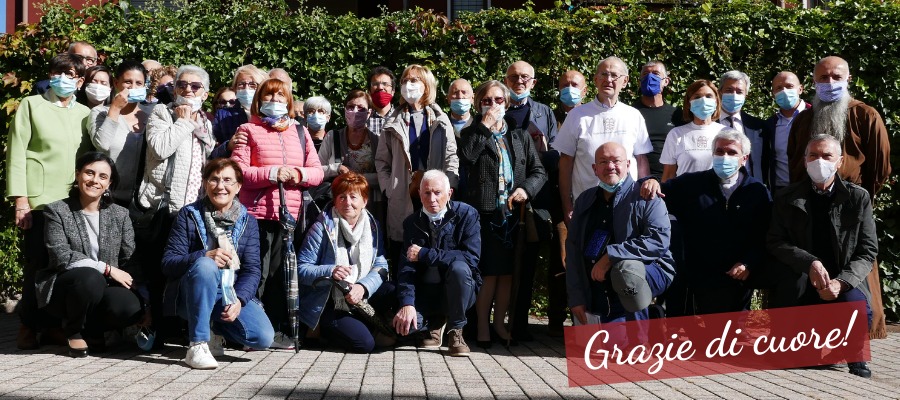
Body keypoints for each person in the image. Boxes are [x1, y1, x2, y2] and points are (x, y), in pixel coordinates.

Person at [786, 56, 890, 339]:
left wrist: (856, 197)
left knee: (855, 267)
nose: (829, 83)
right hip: (809, 204)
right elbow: (795, 162)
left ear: (848, 79)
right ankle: (808, 336)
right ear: (813, 82)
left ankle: (858, 336)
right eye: (823, 78)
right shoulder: (804, 119)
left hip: (850, 207)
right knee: (810, 266)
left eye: (835, 77)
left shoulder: (865, 115)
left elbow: (879, 168)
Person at [768, 135, 876, 378]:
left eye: (827, 156)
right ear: (805, 161)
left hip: (843, 274)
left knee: (856, 307)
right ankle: (804, 348)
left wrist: (842, 282)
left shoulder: (857, 198)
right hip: (802, 276)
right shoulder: (787, 197)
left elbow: (867, 250)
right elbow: (776, 241)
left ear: (839, 162)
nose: (819, 161)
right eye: (813, 155)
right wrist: (810, 262)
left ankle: (853, 353)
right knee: (803, 357)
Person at [6, 52, 93, 350]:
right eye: (58, 72)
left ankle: (56, 326)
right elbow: (16, 153)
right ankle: (28, 326)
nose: (63, 79)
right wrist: (21, 199)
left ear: (80, 81)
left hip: (75, 200)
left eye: (70, 74)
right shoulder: (32, 105)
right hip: (40, 199)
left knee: (67, 266)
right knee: (37, 265)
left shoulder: (85, 113)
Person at [231, 78, 324, 349]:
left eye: (280, 96)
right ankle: (245, 331)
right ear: (260, 100)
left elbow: (317, 171)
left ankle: (273, 331)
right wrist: (272, 174)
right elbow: (238, 172)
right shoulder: (248, 129)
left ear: (289, 101)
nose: (275, 101)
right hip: (256, 214)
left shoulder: (300, 131)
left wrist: (297, 174)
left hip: (289, 215)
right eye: (269, 96)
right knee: (253, 275)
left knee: (279, 276)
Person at [641, 130, 771, 315]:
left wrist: (748, 263)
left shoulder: (756, 191)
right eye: (719, 152)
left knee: (733, 334)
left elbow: (764, 233)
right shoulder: (692, 184)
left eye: (732, 152)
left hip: (739, 274)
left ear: (744, 158)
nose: (725, 157)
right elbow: (657, 190)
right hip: (701, 275)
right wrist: (651, 181)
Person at [161, 158, 274, 369]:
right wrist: (204, 255)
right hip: (192, 291)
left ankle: (214, 330)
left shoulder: (248, 221)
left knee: (262, 337)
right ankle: (197, 344)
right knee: (205, 266)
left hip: (228, 291)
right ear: (205, 184)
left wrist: (239, 300)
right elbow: (168, 263)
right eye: (214, 180)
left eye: (227, 180)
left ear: (238, 186)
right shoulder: (189, 215)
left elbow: (252, 270)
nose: (220, 186)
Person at [458, 80, 547, 348]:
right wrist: (484, 125)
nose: (493, 105)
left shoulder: (518, 136)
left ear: (507, 104)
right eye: (487, 100)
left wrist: (526, 191)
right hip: (484, 214)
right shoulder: (470, 132)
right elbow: (467, 157)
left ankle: (500, 324)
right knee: (489, 272)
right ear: (479, 104)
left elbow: (538, 171)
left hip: (513, 214)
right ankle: (482, 325)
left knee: (509, 273)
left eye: (498, 100)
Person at [136, 64, 217, 344]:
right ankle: (156, 329)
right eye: (182, 85)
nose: (188, 90)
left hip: (194, 210)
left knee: (186, 272)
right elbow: (159, 148)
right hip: (162, 207)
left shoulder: (206, 121)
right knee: (159, 272)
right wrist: (183, 121)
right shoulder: (162, 113)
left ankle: (182, 330)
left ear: (205, 93)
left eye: (195, 87)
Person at [566, 142, 674, 344]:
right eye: (603, 161)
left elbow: (659, 241)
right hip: (604, 285)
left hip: (648, 271)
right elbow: (573, 251)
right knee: (608, 344)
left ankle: (639, 343)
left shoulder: (646, 196)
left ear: (628, 164)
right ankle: (652, 315)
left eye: (616, 161)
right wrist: (576, 299)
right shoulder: (584, 200)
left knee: (626, 270)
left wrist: (610, 256)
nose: (610, 166)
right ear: (594, 168)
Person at [39, 152, 144, 357]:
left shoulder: (120, 214)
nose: (95, 180)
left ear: (109, 183)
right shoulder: (56, 211)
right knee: (90, 277)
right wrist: (106, 268)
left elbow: (129, 259)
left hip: (102, 286)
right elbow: (61, 256)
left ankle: (94, 329)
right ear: (78, 175)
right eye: (89, 173)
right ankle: (73, 330)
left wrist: (145, 299)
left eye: (102, 176)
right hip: (65, 286)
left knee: (130, 306)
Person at [297, 172, 394, 353]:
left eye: (353, 197)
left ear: (365, 201)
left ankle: (374, 326)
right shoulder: (321, 226)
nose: (347, 202)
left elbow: (381, 265)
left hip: (359, 294)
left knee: (394, 291)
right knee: (364, 344)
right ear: (335, 200)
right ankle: (322, 330)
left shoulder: (372, 225)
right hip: (330, 301)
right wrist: (330, 270)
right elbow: (301, 268)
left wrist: (363, 287)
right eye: (342, 197)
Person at [375, 64, 459, 272]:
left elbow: (451, 156)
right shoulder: (392, 120)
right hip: (402, 194)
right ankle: (404, 303)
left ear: (426, 86)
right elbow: (381, 161)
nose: (408, 85)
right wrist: (389, 188)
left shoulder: (441, 119)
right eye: (404, 81)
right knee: (402, 255)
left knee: (433, 252)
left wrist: (448, 188)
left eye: (414, 80)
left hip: (433, 195)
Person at [554, 56, 652, 225]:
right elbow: (565, 163)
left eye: (614, 75)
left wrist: (645, 200)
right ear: (595, 79)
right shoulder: (576, 116)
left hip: (627, 205)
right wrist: (567, 206)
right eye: (603, 74)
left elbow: (641, 160)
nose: (608, 80)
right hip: (587, 207)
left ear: (625, 80)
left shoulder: (633, 116)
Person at [394, 170, 481, 357]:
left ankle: (456, 331)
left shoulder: (467, 214)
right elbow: (406, 268)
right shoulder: (412, 223)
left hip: (458, 290)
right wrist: (407, 303)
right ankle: (434, 322)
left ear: (449, 194)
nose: (432, 198)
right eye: (427, 193)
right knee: (402, 329)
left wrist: (426, 254)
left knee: (459, 268)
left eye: (437, 192)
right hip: (427, 292)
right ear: (419, 194)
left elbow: (470, 258)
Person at [90, 60, 155, 207]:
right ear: (116, 82)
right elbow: (102, 144)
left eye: (139, 83)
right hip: (108, 197)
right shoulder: (100, 113)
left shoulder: (151, 115)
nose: (133, 87)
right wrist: (115, 109)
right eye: (127, 82)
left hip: (142, 200)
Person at [318, 89, 382, 219]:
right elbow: (317, 171)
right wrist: (336, 168)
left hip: (369, 206)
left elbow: (384, 176)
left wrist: (356, 177)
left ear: (369, 113)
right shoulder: (332, 137)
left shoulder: (377, 140)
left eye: (361, 108)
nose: (355, 111)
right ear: (345, 110)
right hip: (336, 206)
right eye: (351, 107)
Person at [659, 80, 728, 180]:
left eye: (709, 96)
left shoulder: (727, 133)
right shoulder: (676, 134)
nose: (703, 101)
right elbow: (669, 175)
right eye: (697, 97)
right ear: (689, 103)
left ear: (717, 101)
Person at [717, 70, 770, 182]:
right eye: (729, 90)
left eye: (739, 91)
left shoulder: (758, 127)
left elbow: (765, 162)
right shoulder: (709, 124)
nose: (734, 95)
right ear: (719, 92)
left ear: (746, 95)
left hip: (750, 190)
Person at [632, 60, 681, 178]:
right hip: (637, 182)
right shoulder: (630, 113)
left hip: (670, 181)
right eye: (645, 74)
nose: (650, 77)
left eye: (656, 74)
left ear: (666, 81)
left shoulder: (677, 115)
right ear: (639, 82)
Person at [764, 71, 810, 192]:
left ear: (800, 89)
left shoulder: (815, 116)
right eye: (778, 88)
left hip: (811, 189)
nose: (784, 91)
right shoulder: (770, 124)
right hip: (781, 191)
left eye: (789, 86)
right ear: (773, 93)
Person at [211, 64, 268, 158]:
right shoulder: (223, 116)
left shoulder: (271, 114)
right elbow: (211, 154)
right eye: (241, 85)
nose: (246, 89)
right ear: (235, 89)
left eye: (252, 85)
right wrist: (228, 146)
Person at [367, 66, 396, 137]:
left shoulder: (401, 117)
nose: (380, 87)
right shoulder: (363, 119)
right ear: (369, 92)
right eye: (375, 84)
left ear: (393, 91)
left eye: (385, 84)